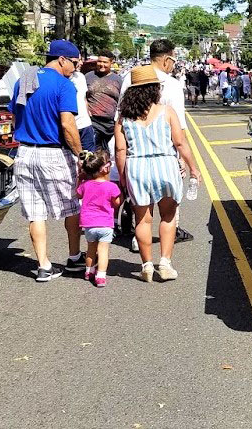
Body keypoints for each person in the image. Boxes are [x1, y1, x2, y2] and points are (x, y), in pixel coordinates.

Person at [115, 65, 202, 283]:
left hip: (137, 168)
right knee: (168, 216)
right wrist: (193, 168)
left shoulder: (123, 117)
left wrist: (124, 176)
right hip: (165, 166)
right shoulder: (166, 111)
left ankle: (146, 265)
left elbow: (120, 150)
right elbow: (180, 143)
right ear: (155, 89)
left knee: (142, 220)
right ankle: (165, 262)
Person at [10, 39, 86, 283]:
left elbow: (16, 114)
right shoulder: (64, 85)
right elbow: (67, 124)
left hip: (24, 153)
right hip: (53, 152)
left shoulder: (24, 80)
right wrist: (81, 153)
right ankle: (74, 257)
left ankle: (43, 266)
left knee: (36, 212)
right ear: (62, 59)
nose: (75, 68)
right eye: (74, 63)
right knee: (71, 207)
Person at [121, 39, 193, 243]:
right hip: (164, 152)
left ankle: (138, 240)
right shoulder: (171, 84)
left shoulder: (130, 77)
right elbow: (179, 127)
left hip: (135, 151)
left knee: (142, 206)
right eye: (173, 60)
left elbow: (121, 117)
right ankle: (168, 244)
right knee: (168, 207)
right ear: (167, 59)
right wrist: (183, 160)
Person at [76, 150, 121, 288]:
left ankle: (89, 272)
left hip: (89, 224)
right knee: (103, 250)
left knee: (90, 249)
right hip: (105, 224)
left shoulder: (85, 185)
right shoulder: (112, 186)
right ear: (105, 168)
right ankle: (100, 276)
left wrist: (80, 178)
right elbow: (117, 202)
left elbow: (78, 195)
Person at [86, 51, 121, 151]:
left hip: (111, 124)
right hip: (93, 122)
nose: (102, 64)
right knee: (94, 152)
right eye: (99, 61)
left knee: (108, 153)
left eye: (105, 62)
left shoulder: (118, 80)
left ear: (111, 63)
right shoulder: (88, 77)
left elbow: (121, 102)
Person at [69, 65, 96, 152]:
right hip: (69, 126)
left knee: (89, 160)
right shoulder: (59, 79)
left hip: (85, 125)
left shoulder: (80, 76)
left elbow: (84, 98)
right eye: (76, 61)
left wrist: (88, 115)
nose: (80, 63)